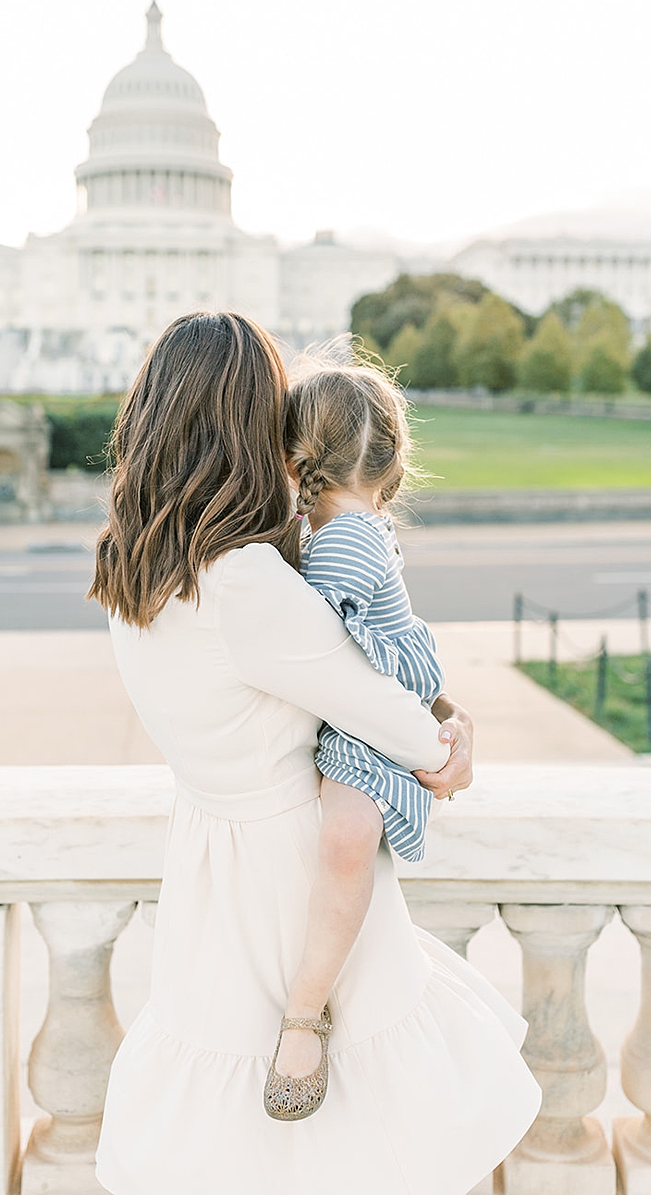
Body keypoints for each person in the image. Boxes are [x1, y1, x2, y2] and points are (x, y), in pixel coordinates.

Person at [90, 312, 541, 1195]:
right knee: (349, 1133)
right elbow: (389, 715)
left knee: (233, 1124)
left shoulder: (134, 567)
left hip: (211, 857)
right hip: (289, 866)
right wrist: (449, 736)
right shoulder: (245, 579)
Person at [265, 362, 448, 1121]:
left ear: (292, 456)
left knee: (345, 837)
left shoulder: (344, 539)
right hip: (367, 708)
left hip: (363, 727)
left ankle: (304, 1010)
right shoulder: (344, 529)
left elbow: (305, 645)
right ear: (392, 462)